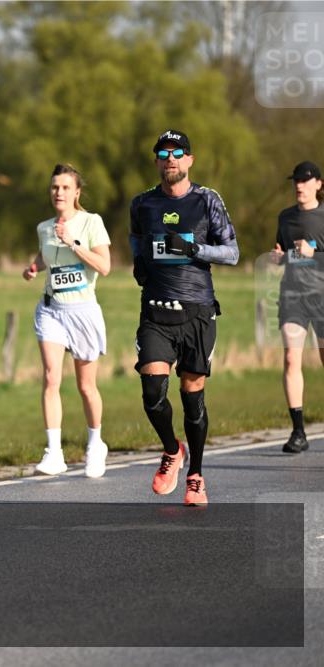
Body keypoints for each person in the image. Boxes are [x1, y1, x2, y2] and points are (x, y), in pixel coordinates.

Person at [129, 130, 239, 506]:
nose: (170, 158)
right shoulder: (142, 204)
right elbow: (136, 243)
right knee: (152, 391)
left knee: (193, 399)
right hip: (156, 311)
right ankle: (171, 450)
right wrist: (140, 266)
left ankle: (196, 475)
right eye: (163, 152)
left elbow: (233, 253)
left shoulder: (207, 200)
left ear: (189, 160)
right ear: (156, 160)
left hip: (197, 313)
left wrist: (193, 248)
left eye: (178, 152)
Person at [23, 164, 112, 478]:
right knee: (50, 378)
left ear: (77, 192)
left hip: (83, 312)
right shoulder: (44, 227)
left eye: (64, 187)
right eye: (54, 187)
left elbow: (104, 266)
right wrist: (34, 268)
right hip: (51, 310)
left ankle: (95, 443)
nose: (58, 193)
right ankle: (54, 453)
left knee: (86, 387)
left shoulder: (91, 222)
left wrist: (73, 242)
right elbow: (45, 255)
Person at [270, 161, 324, 453]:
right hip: (293, 296)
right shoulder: (285, 218)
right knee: (292, 359)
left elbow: (310, 252)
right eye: (296, 181)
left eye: (306, 180)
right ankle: (298, 432)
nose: (299, 186)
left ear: (319, 184)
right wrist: (279, 257)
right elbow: (284, 251)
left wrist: (315, 251)